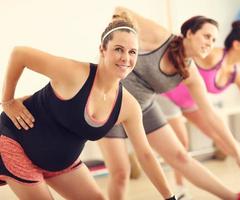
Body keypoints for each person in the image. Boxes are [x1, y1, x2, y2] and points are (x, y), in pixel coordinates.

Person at [97, 7, 240, 200]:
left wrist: (237, 151)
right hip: (109, 102)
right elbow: (120, 9)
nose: (210, 44)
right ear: (189, 33)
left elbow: (210, 114)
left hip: (144, 108)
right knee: (121, 172)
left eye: (213, 40)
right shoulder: (161, 37)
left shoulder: (190, 74)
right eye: (206, 36)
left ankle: (236, 198)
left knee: (180, 156)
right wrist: (125, 30)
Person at [0, 18, 177, 200]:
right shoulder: (74, 74)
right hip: (16, 143)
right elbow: (20, 54)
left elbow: (146, 154)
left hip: (62, 163)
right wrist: (8, 101)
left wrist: (169, 197)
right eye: (118, 49)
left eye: (132, 52)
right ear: (102, 49)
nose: (126, 57)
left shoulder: (128, 106)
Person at [157, 20, 240, 197]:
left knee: (221, 137)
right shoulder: (213, 55)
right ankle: (180, 189)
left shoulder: (236, 74)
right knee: (182, 141)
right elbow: (185, 52)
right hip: (168, 95)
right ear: (237, 44)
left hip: (190, 102)